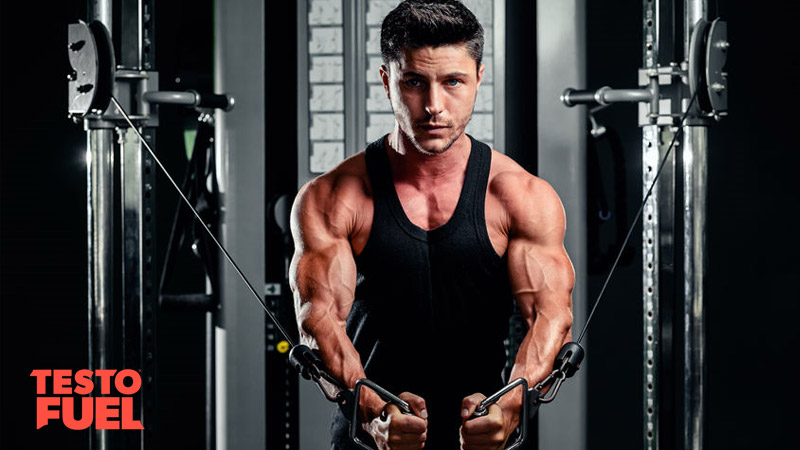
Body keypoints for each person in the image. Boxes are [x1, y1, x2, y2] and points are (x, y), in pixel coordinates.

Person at [289, 1, 574, 448]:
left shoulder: (521, 196)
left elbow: (550, 317)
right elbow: (320, 321)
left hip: (484, 434)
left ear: (479, 79)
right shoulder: (332, 198)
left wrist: (509, 408)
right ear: (387, 82)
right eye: (414, 82)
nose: (433, 106)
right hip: (369, 438)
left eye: (453, 82)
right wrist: (374, 410)